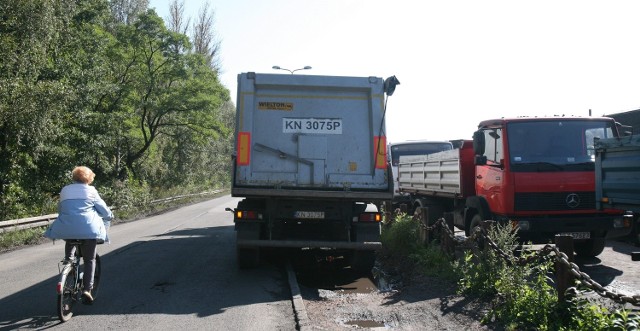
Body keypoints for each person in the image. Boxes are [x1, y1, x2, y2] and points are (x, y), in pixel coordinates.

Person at [45, 166, 113, 304]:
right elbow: (104, 211)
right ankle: (87, 289)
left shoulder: (65, 190)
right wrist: (110, 215)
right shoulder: (91, 191)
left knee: (71, 236)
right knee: (89, 260)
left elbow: (62, 209)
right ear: (89, 178)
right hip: (88, 231)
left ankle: (68, 260)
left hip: (65, 228)